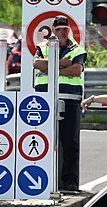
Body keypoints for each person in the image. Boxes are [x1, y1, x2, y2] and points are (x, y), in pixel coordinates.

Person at [33, 16, 86, 192]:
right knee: (44, 140)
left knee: (70, 142)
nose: (62, 32)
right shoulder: (42, 47)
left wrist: (52, 66)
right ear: (53, 29)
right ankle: (42, 179)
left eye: (65, 29)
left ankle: (69, 181)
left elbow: (76, 69)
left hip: (70, 99)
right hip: (45, 99)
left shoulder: (76, 49)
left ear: (69, 29)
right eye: (58, 29)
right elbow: (37, 64)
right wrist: (62, 63)